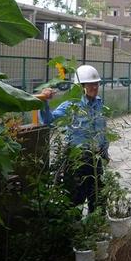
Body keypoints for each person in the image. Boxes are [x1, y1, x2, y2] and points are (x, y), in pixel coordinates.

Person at [38, 64, 108, 213]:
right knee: (75, 199)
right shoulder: (71, 105)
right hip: (78, 159)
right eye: (91, 84)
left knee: (98, 198)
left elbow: (102, 130)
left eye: (97, 83)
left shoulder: (99, 103)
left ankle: (96, 227)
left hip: (97, 158)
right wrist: (44, 101)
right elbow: (48, 121)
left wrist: (105, 152)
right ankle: (75, 231)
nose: (95, 87)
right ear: (80, 86)